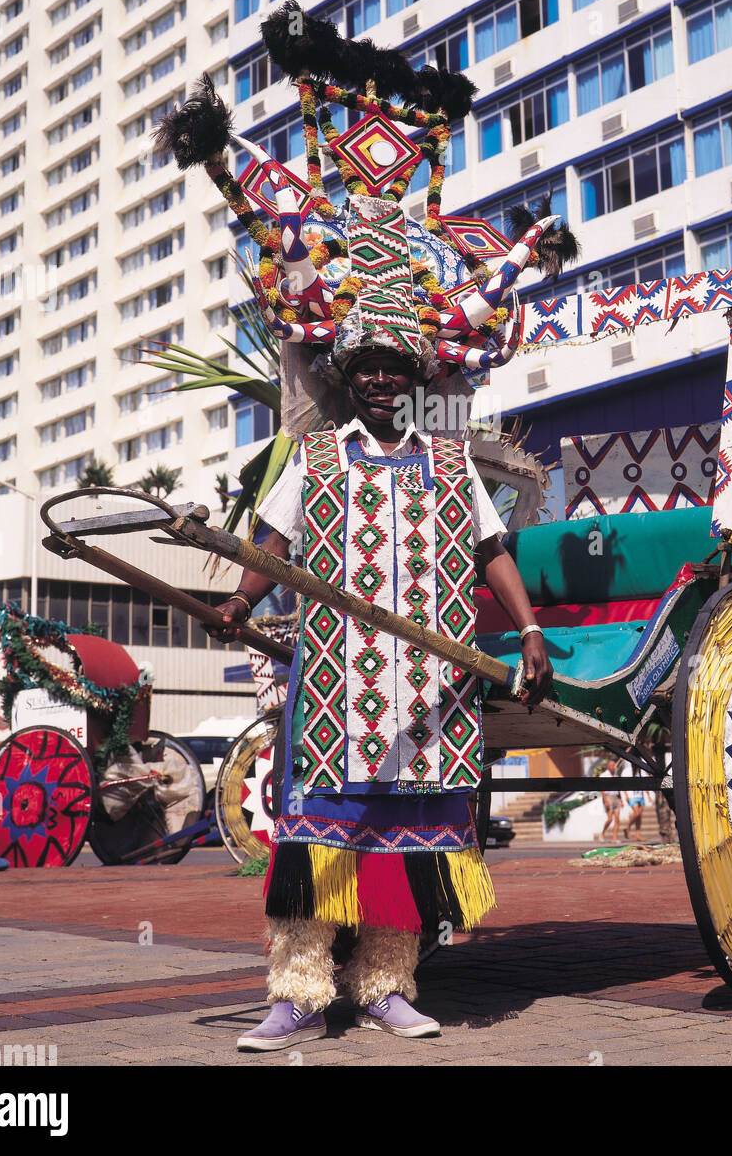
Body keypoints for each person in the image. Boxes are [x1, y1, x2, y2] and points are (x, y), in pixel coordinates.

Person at [215, 344, 553, 1050]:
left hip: (430, 691)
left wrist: (528, 629)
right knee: (317, 840)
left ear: (415, 383)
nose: (378, 379)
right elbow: (274, 540)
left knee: (406, 845)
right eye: (366, 367)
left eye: (394, 368)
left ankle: (386, 989)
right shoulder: (316, 455)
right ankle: (298, 998)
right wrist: (240, 601)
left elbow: (491, 550)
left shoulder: (453, 463)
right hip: (338, 686)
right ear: (347, 377)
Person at [599, 756, 623, 843]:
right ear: (608, 767)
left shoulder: (616, 775)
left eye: (614, 765)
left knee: (617, 819)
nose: (614, 767)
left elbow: (618, 789)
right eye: (612, 765)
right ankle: (602, 834)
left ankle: (614, 838)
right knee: (610, 819)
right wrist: (605, 800)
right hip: (608, 797)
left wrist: (621, 800)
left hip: (616, 797)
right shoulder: (604, 775)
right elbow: (601, 789)